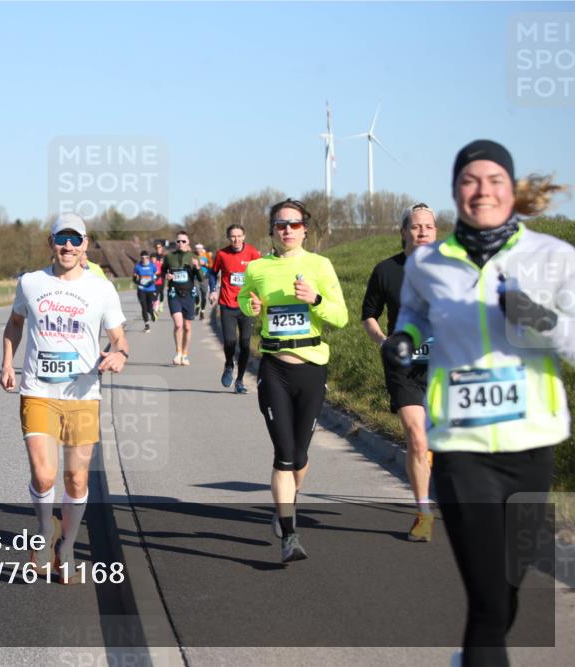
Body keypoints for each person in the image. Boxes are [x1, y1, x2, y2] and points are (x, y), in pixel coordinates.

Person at [383, 140, 572, 666]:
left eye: (494, 180)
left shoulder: (553, 257)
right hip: (461, 448)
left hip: (531, 447)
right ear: (454, 191)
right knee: (488, 603)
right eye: (469, 180)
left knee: (507, 594)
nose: (481, 190)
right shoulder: (428, 263)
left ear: (511, 190)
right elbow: (413, 316)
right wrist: (403, 339)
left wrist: (535, 317)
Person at [1, 212, 129, 584]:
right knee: (44, 477)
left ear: (85, 245)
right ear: (51, 242)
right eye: (62, 239)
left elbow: (119, 336)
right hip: (38, 391)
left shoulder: (101, 289)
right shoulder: (31, 283)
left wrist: (120, 354)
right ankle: (45, 531)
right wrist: (7, 362)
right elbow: (15, 323)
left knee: (76, 479)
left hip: (83, 395)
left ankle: (67, 546)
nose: (68, 246)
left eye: (75, 240)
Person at [241, 199, 348, 563]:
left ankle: (287, 502)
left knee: (300, 456)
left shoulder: (320, 265)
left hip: (312, 367)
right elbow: (244, 299)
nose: (287, 229)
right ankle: (289, 535)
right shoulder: (257, 268)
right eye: (280, 224)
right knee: (284, 455)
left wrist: (315, 299)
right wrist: (251, 307)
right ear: (272, 230)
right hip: (274, 368)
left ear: (305, 229)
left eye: (294, 224)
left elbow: (341, 317)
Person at [362, 203, 438, 541]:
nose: (422, 232)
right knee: (416, 438)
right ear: (404, 231)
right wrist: (383, 341)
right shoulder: (386, 270)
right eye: (416, 226)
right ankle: (424, 514)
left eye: (428, 226)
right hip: (404, 365)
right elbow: (369, 314)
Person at [209, 223, 262, 393]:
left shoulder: (253, 253)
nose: (236, 239)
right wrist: (212, 290)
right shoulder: (222, 254)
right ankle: (228, 364)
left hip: (246, 306)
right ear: (228, 237)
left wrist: (261, 297)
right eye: (233, 236)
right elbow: (212, 273)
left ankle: (239, 381)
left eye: (239, 236)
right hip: (227, 304)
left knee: (245, 344)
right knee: (230, 341)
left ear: (244, 237)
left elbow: (261, 276)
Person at [164, 230, 202, 365]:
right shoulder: (169, 257)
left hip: (189, 295)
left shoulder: (194, 257)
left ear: (188, 242)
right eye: (178, 241)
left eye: (183, 241)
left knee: (187, 326)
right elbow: (162, 272)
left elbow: (201, 278)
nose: (180, 243)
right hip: (174, 294)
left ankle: (185, 354)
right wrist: (166, 276)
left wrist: (197, 267)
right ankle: (178, 352)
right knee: (178, 324)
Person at [133, 250, 158, 332]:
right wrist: (137, 281)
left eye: (146, 258)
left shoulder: (152, 266)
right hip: (141, 289)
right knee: (144, 307)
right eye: (142, 258)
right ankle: (147, 325)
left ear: (148, 258)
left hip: (151, 289)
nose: (144, 259)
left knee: (149, 308)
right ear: (140, 258)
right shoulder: (137, 267)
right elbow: (134, 278)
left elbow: (156, 275)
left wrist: (153, 281)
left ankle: (152, 313)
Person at [194, 242, 212, 320]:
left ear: (202, 249)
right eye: (197, 249)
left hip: (205, 278)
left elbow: (212, 265)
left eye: (199, 248)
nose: (198, 250)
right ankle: (197, 305)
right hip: (195, 278)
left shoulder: (207, 255)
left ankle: (202, 312)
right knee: (196, 293)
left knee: (204, 296)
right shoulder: (193, 256)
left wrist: (205, 264)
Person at [153, 241, 167, 314]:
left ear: (162, 248)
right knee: (155, 291)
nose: (158, 249)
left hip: (162, 275)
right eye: (157, 247)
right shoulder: (154, 256)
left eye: (159, 247)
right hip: (155, 276)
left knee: (161, 291)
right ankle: (156, 304)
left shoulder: (164, 256)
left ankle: (161, 303)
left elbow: (167, 265)